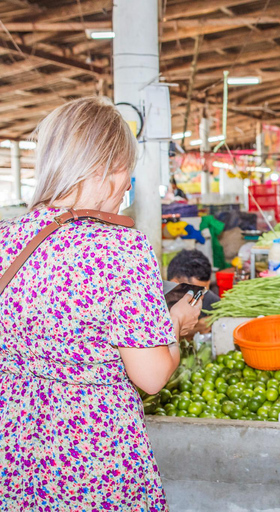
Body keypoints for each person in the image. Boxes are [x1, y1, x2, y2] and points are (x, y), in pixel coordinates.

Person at [0, 97, 201, 510]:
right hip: (93, 459)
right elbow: (151, 375)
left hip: (17, 447)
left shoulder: (7, 239)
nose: (128, 185)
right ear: (106, 169)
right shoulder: (120, 248)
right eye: (127, 170)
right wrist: (176, 325)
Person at [165, 249, 221, 335]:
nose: (201, 297)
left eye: (204, 291)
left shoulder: (211, 302)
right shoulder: (153, 307)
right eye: (197, 292)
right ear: (175, 283)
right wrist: (196, 329)